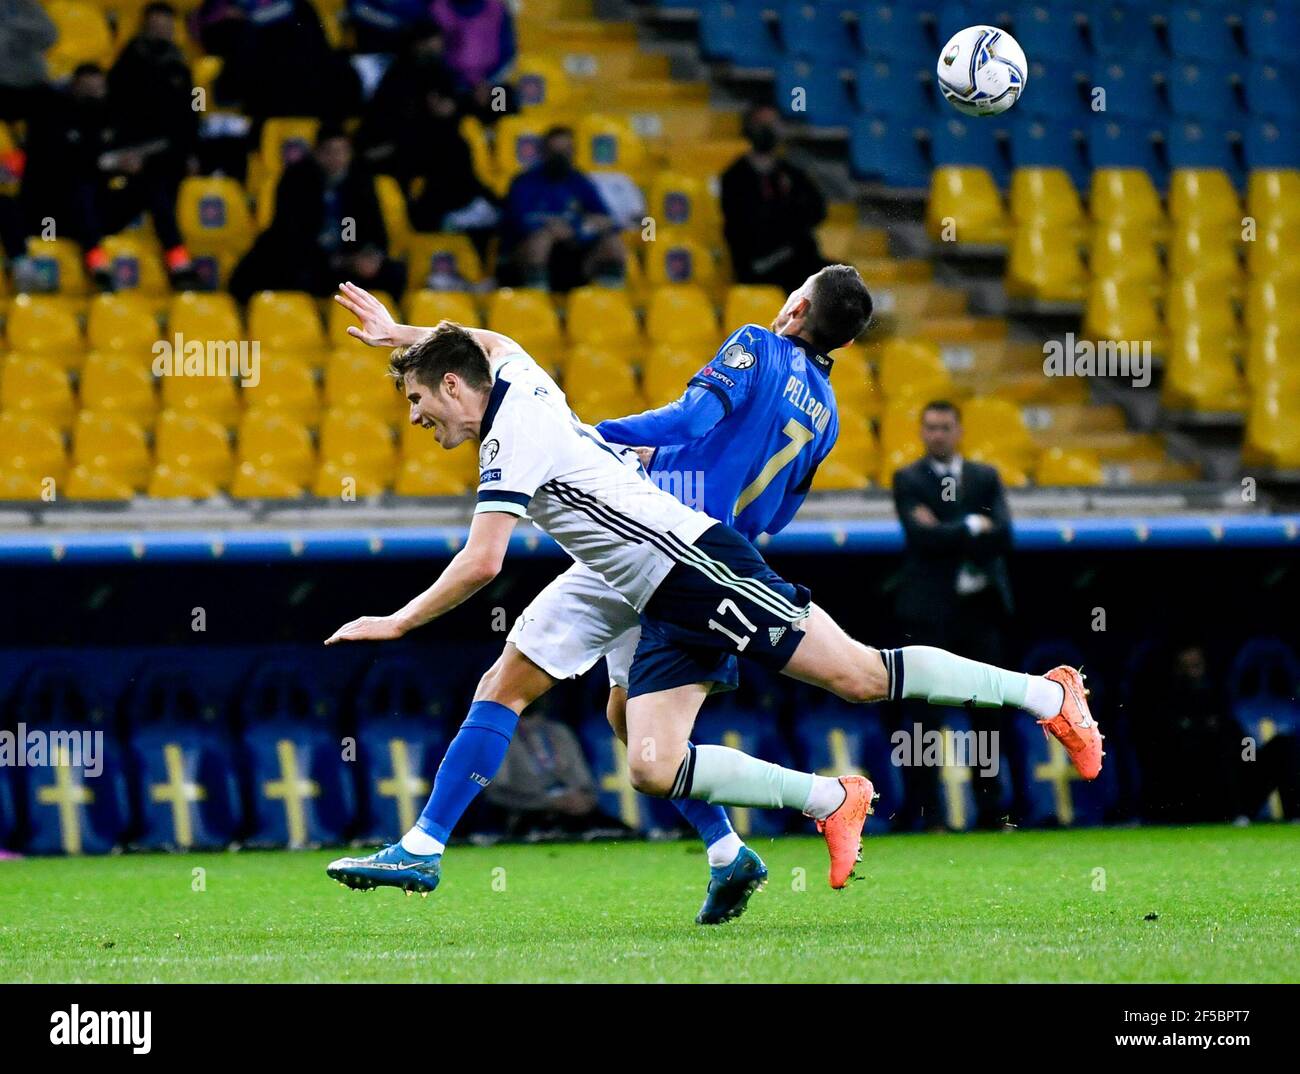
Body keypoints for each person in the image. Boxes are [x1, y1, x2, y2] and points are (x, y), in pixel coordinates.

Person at [321, 278, 1103, 916]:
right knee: (636, 750)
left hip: (688, 563)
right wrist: (401, 337)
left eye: (418, 401)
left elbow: (484, 560)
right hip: (635, 564)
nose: (416, 417)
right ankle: (430, 850)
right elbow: (482, 339)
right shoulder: (521, 373)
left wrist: (396, 620)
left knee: (860, 676)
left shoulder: (538, 427)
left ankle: (1047, 693)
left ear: (797, 307)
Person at [891, 400, 1014, 829]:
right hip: (929, 619)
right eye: (929, 428)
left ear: (960, 430)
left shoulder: (985, 477)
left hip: (977, 614)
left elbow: (1003, 536)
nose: (936, 435)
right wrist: (969, 527)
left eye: (944, 427)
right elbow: (921, 539)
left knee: (987, 712)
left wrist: (947, 530)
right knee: (924, 719)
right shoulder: (907, 478)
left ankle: (992, 811)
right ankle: (928, 814)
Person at [19, 63, 195, 289]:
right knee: (79, 187)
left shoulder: (111, 116)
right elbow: (59, 166)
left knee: (150, 185)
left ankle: (179, 263)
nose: (94, 96)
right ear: (74, 88)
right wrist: (107, 164)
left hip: (96, 212)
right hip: (52, 214)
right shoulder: (52, 117)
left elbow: (142, 143)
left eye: (99, 90)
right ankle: (97, 264)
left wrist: (131, 162)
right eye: (88, 90)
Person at [229, 127, 405, 301]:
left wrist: (370, 255)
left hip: (348, 259)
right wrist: (332, 260)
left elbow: (372, 229)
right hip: (308, 258)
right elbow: (290, 233)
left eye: (342, 151)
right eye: (329, 152)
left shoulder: (360, 182)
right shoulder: (295, 179)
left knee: (393, 272)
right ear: (317, 153)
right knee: (269, 267)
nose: (336, 158)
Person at [500, 125, 624, 291]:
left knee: (613, 243)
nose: (560, 157)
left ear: (573, 152)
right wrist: (550, 228)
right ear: (543, 153)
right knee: (541, 241)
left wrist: (578, 227)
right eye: (554, 151)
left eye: (566, 151)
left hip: (574, 249)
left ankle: (609, 300)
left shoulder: (580, 181)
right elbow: (519, 221)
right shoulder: (524, 182)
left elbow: (604, 218)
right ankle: (537, 297)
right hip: (528, 255)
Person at [721, 104, 827, 293]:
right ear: (749, 128)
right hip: (759, 264)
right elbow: (744, 225)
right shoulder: (734, 177)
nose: (768, 130)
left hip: (797, 257)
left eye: (772, 124)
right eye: (762, 124)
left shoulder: (791, 173)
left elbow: (817, 211)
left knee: (842, 277)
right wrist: (787, 211)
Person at [479, 706, 625, 839]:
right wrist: (546, 802)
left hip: (575, 812)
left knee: (619, 831)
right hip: (529, 814)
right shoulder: (503, 737)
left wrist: (583, 800)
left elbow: (585, 782)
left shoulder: (560, 733)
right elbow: (496, 793)